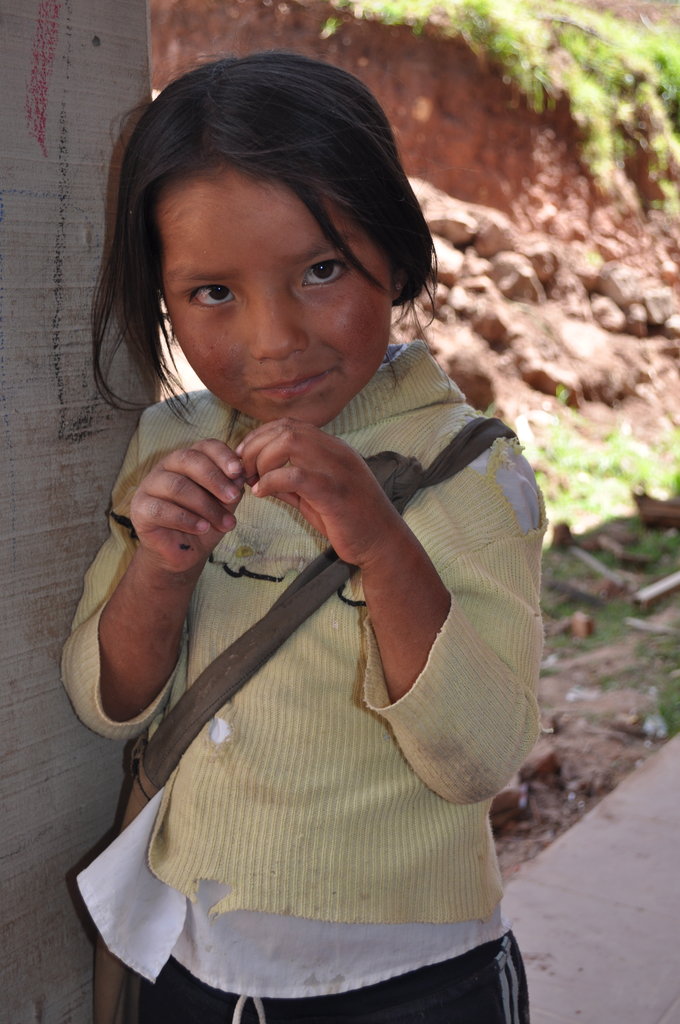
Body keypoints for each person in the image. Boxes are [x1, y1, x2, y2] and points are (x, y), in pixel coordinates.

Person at [62, 51, 546, 1024]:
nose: (275, 338)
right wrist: (161, 567)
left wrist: (382, 543)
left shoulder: (468, 469)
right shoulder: (169, 446)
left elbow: (478, 760)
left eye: (320, 270)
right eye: (213, 293)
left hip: (410, 980)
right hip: (195, 966)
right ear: (162, 297)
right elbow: (107, 702)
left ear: (394, 251)